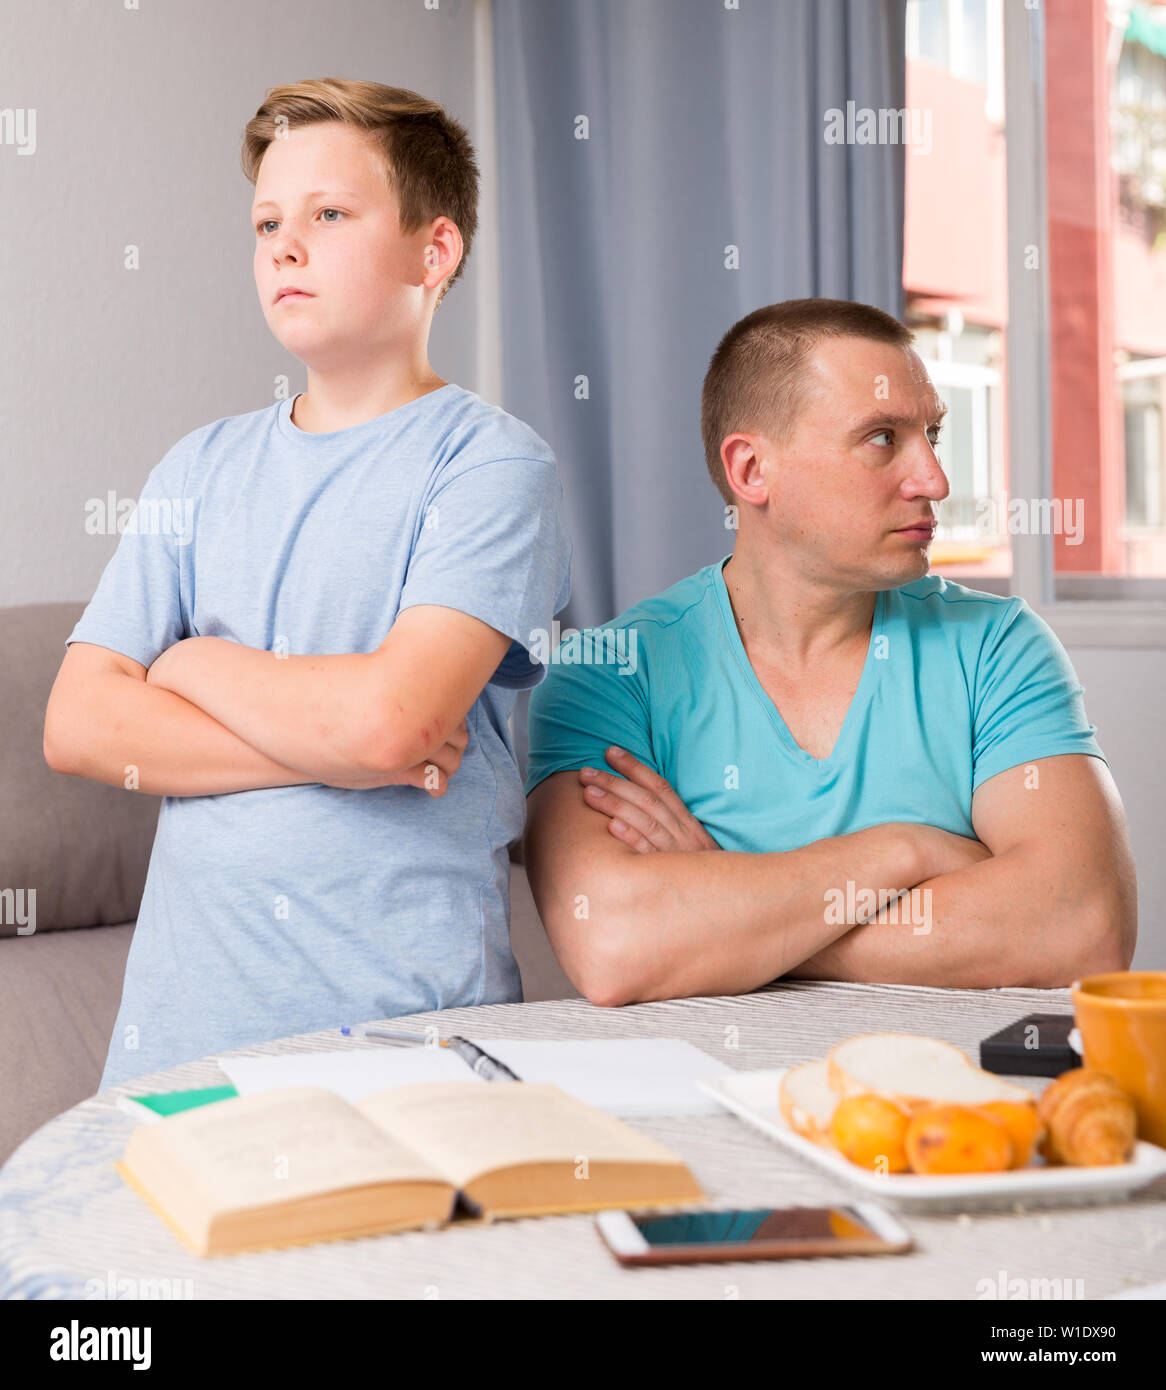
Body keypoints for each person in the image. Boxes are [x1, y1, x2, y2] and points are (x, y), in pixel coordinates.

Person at [44, 79, 571, 1088]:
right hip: (175, 1059)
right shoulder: (195, 468)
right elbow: (77, 724)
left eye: (329, 215)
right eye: (267, 223)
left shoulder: (491, 466)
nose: (285, 245)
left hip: (400, 1049)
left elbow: (389, 727)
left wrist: (193, 662)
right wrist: (336, 748)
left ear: (435, 250)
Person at [522, 299, 1135, 1003]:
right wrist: (910, 850)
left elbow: (1082, 924)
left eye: (931, 433)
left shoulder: (998, 646)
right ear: (752, 470)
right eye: (882, 438)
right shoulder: (607, 673)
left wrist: (736, 918)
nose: (934, 479)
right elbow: (613, 943)